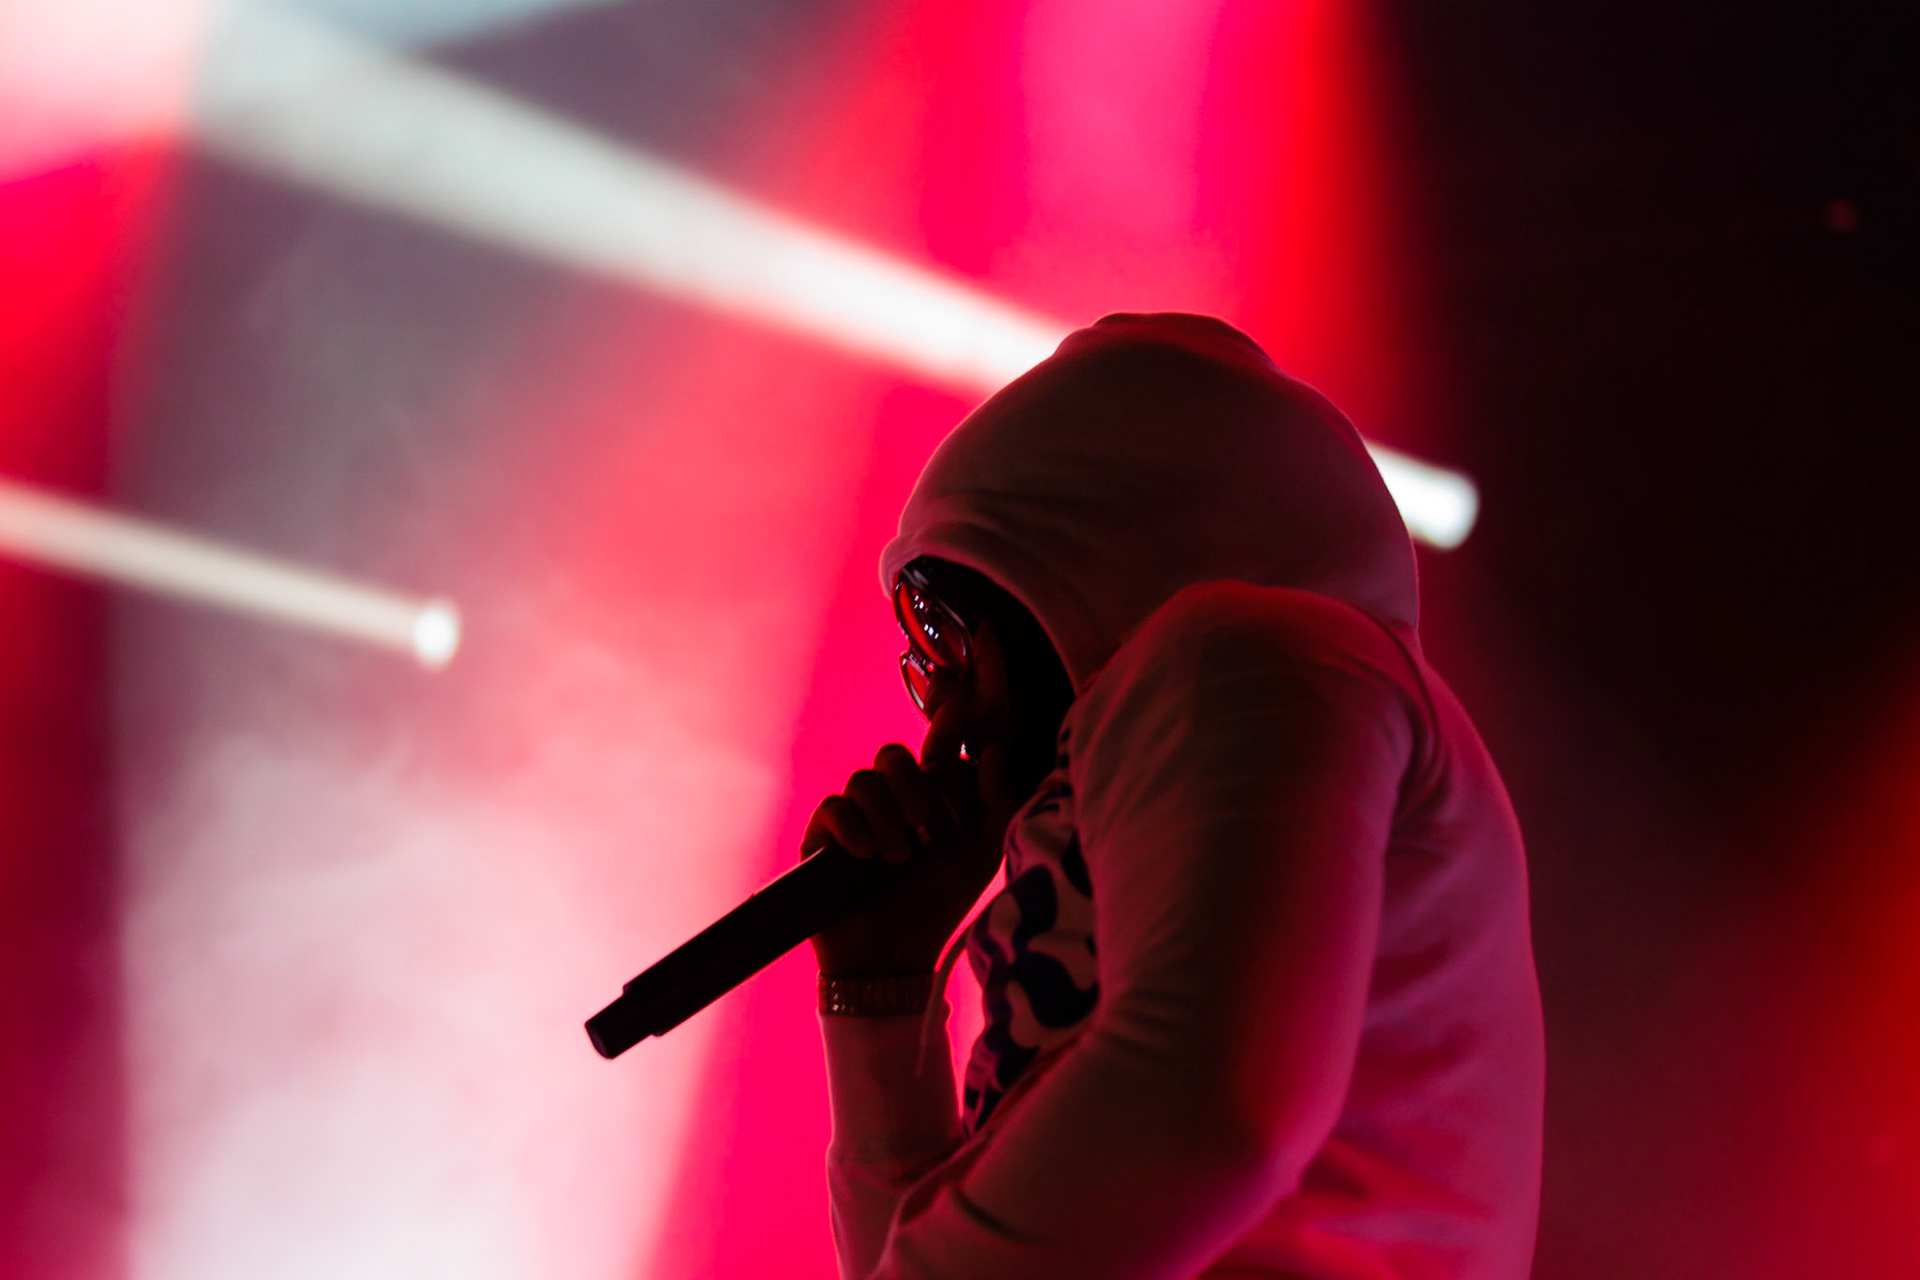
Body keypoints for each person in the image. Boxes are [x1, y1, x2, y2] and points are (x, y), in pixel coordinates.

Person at [800, 314, 1544, 1279]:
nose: (935, 698)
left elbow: (1209, 1109)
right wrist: (879, 993)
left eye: (942, 625)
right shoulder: (1186, 747)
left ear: (1066, 558)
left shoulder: (1239, 652)